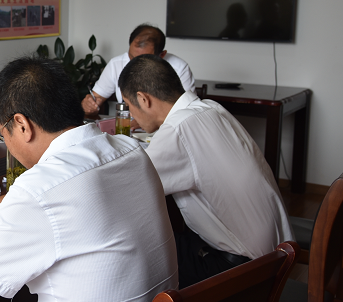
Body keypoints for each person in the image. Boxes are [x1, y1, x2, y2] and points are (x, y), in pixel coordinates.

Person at [0, 57, 178, 302]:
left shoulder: (39, 189)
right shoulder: (131, 150)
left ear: (22, 125)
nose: (6, 143)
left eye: (2, 134)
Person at [117, 55, 293, 288]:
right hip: (276, 256)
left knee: (140, 246)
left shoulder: (178, 130)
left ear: (143, 99)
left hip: (244, 271)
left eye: (128, 106)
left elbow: (128, 187)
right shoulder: (212, 108)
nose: (131, 115)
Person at [82, 24, 194, 114]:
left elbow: (187, 111)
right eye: (131, 57)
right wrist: (89, 104)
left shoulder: (179, 68)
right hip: (125, 128)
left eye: (143, 60)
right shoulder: (116, 64)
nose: (134, 64)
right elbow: (96, 97)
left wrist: (144, 121)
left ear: (161, 55)